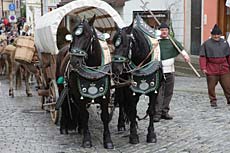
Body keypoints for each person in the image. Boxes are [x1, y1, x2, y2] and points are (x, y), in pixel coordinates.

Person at [153, 23, 190, 122]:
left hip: (170, 70)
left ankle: (165, 111)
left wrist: (185, 56)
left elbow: (180, 49)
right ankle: (157, 113)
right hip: (158, 71)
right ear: (159, 31)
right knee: (159, 93)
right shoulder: (156, 42)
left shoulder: (172, 41)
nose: (164, 31)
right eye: (162, 30)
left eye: (166, 30)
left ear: (168, 31)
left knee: (168, 92)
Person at [199, 24, 230, 107]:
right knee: (211, 86)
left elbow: (228, 56)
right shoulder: (206, 44)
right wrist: (203, 67)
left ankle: (229, 99)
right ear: (211, 35)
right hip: (211, 67)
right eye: (214, 35)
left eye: (218, 34)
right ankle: (213, 101)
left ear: (220, 35)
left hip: (224, 67)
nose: (216, 36)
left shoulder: (224, 43)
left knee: (227, 86)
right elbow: (203, 57)